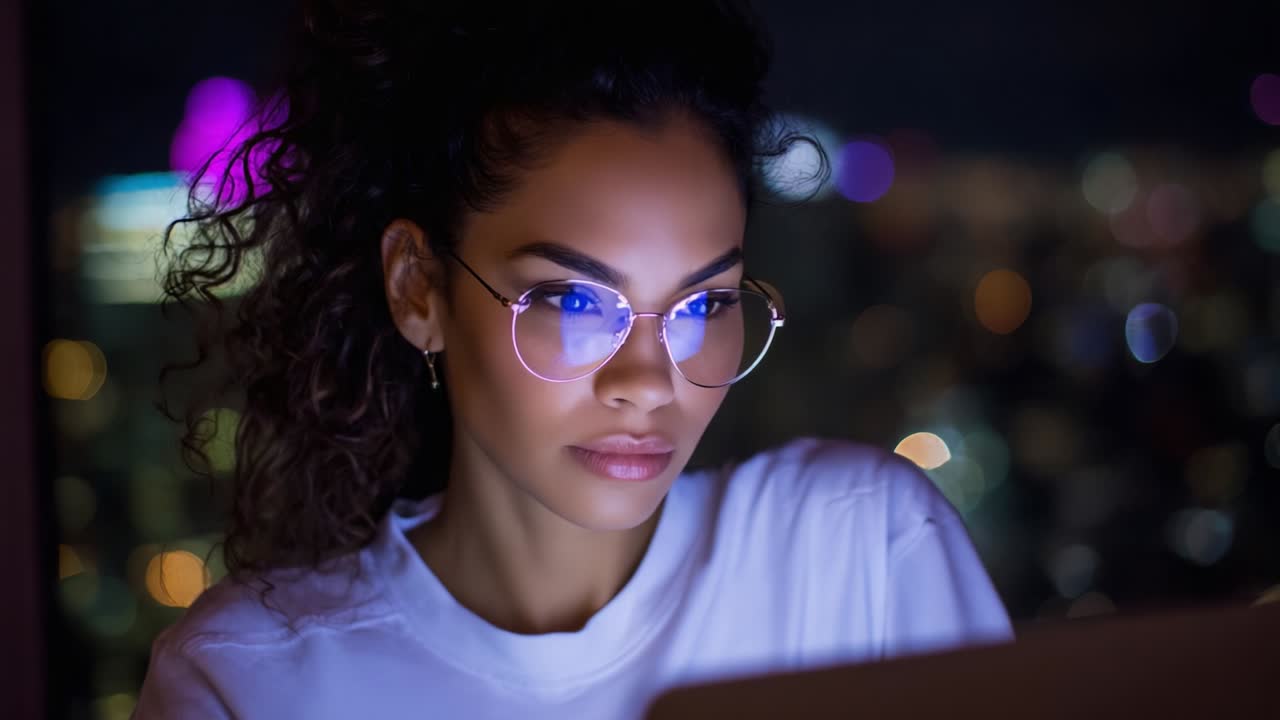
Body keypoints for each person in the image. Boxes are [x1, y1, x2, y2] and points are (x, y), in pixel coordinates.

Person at [135, 2, 1013, 718]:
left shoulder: (854, 553)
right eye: (574, 303)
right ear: (418, 291)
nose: (648, 381)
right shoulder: (249, 685)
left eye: (703, 304)